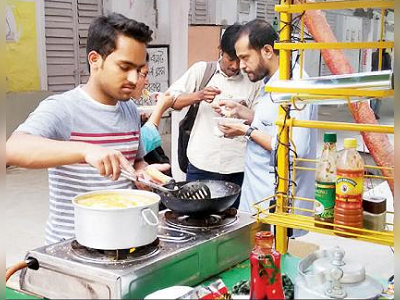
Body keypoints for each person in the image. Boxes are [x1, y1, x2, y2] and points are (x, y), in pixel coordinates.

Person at [6, 14, 169, 244]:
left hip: (125, 238)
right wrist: (86, 150)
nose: (134, 79)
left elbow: (136, 161)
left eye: (139, 69)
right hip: (73, 244)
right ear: (95, 60)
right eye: (125, 67)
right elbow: (12, 149)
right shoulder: (63, 108)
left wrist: (143, 173)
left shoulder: (130, 109)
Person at [214, 19, 317, 236]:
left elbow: (292, 149)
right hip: (259, 197)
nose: (241, 66)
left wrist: (246, 131)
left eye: (245, 57)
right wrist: (243, 114)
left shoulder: (295, 85)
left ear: (267, 51)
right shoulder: (270, 80)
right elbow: (274, 126)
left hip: (281, 205)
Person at [167, 24, 261, 208]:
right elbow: (170, 101)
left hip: (239, 166)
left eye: (240, 59)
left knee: (234, 220)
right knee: (195, 216)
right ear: (220, 51)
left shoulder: (253, 81)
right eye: (230, 59)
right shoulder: (202, 71)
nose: (235, 66)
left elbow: (260, 120)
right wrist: (199, 95)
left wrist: (241, 110)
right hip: (202, 163)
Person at [130, 53, 174, 175]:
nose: (147, 82)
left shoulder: (128, 107)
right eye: (144, 74)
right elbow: (138, 145)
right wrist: (160, 108)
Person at [370, 47, 392, 119]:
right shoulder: (386, 56)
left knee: (374, 96)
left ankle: (373, 112)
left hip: (374, 77)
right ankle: (375, 113)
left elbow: (372, 65)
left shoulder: (374, 54)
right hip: (382, 78)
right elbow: (389, 67)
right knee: (379, 97)